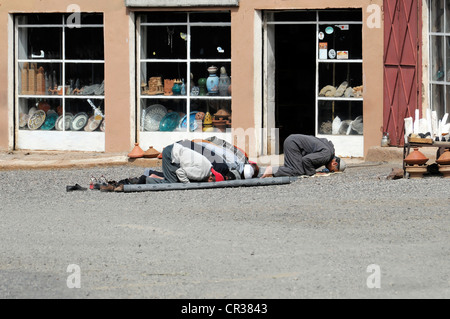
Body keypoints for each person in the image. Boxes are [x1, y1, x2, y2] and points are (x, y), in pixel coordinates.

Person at [101, 142, 224, 192]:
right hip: (171, 154)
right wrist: (187, 186)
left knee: (173, 178)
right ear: (211, 177)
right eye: (211, 180)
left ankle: (150, 176)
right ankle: (146, 179)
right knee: (171, 182)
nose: (209, 181)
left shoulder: (208, 166)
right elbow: (181, 172)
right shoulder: (201, 173)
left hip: (175, 152)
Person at [261, 134, 346, 178]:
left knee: (293, 168)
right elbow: (307, 160)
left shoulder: (329, 151)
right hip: (294, 144)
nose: (330, 171)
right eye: (332, 170)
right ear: (334, 164)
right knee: (297, 171)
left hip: (293, 142)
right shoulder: (327, 155)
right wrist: (312, 173)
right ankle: (271, 170)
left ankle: (265, 171)